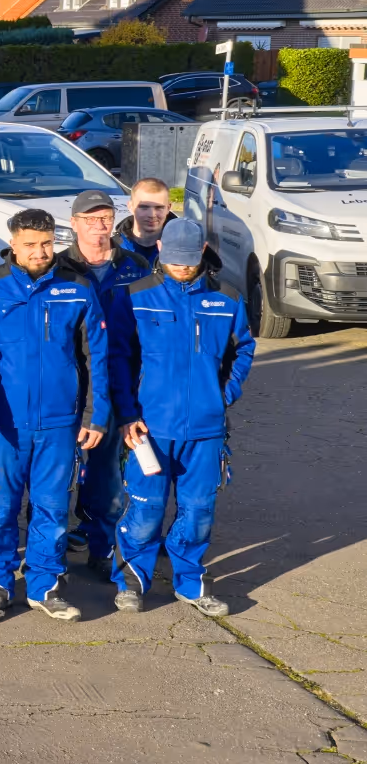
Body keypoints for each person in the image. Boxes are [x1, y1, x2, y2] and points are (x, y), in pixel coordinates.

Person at [0, 210, 110, 624]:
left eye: (46, 243)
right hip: (1, 425)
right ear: (13, 244)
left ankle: (45, 586)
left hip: (60, 423)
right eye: (29, 244)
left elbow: (96, 357)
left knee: (51, 508)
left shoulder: (78, 287)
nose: (39, 252)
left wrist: (94, 416)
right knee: (0, 510)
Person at [107, 219, 255, 617]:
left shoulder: (227, 298)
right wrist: (127, 413)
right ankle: (131, 581)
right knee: (145, 509)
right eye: (175, 261)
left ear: (203, 250)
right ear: (159, 250)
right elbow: (118, 359)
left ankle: (190, 583)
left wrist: (224, 394)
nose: (183, 267)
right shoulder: (135, 296)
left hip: (206, 429)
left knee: (199, 510)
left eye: (189, 260)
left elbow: (243, 350)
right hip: (149, 428)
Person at [62, 190, 152, 577]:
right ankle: (47, 556)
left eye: (104, 218)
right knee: (57, 473)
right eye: (89, 218)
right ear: (74, 223)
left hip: (117, 382)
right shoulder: (58, 265)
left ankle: (101, 548)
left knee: (108, 476)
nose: (98, 226)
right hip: (66, 384)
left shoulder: (134, 265)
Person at [116, 178, 175, 267]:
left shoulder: (182, 250)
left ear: (168, 208)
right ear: (130, 206)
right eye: (144, 207)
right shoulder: (113, 249)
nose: (152, 215)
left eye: (159, 208)